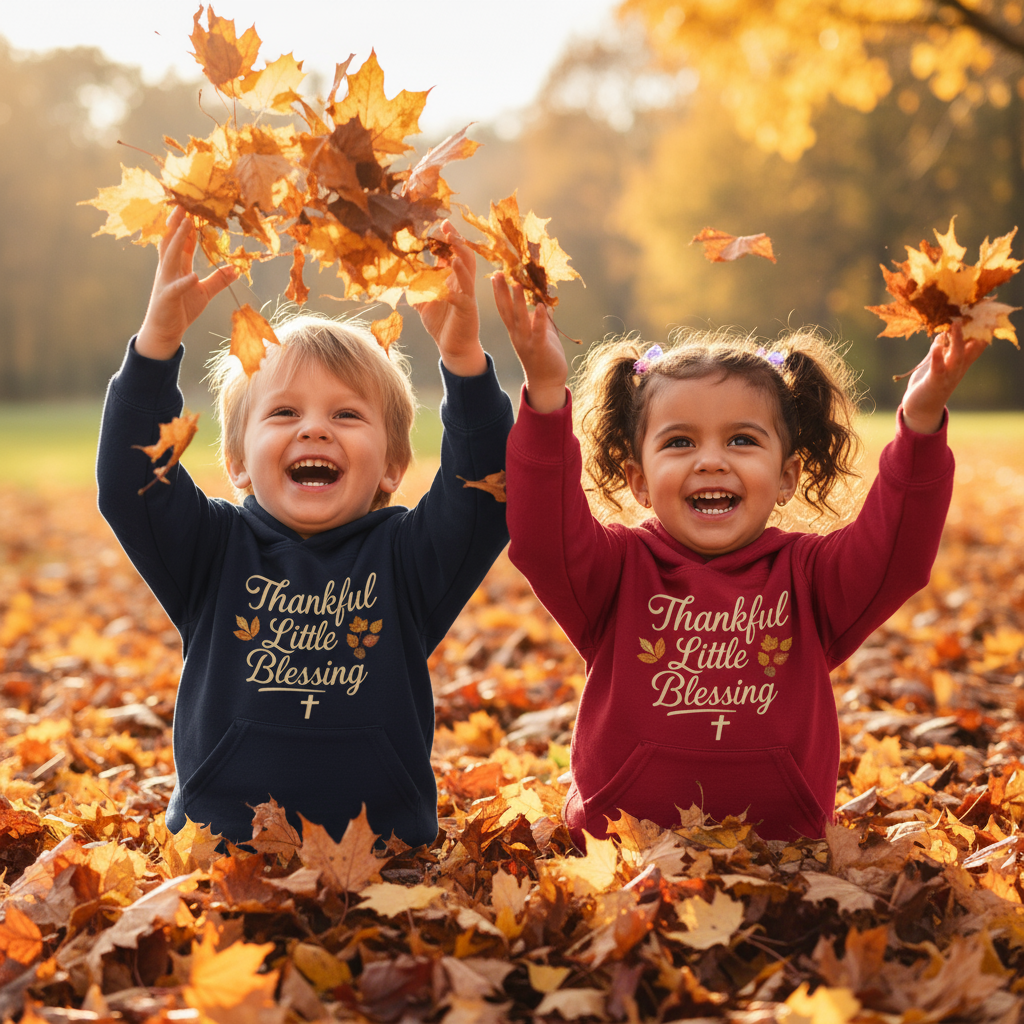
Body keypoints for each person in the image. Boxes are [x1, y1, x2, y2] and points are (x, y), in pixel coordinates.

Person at [494, 276, 983, 844]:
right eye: (679, 442)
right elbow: (544, 537)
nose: (711, 461)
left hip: (786, 852)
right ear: (639, 481)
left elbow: (895, 552)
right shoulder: (616, 570)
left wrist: (920, 425)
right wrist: (546, 395)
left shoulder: (810, 578)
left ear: (787, 476)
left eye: (742, 440)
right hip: (623, 852)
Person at [97, 206, 513, 846]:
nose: (314, 428)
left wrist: (462, 361)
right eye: (284, 412)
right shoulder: (213, 549)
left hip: (383, 856)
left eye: (346, 415)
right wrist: (156, 344)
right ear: (237, 462)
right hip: (223, 847)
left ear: (392, 466)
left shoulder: (406, 558)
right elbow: (132, 484)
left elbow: (484, 495)